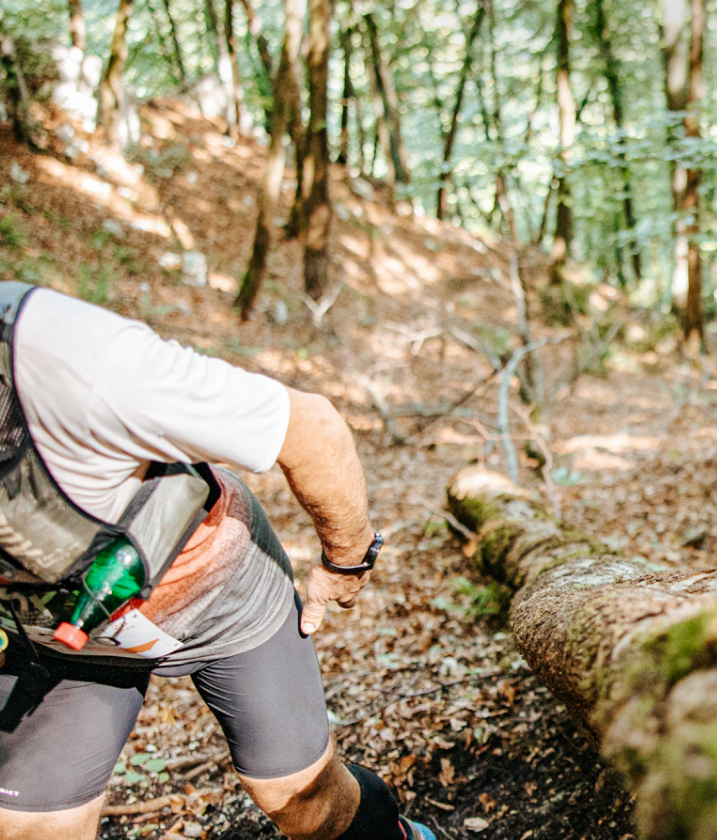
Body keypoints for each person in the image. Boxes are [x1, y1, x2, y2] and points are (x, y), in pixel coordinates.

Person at [0, 284, 432, 839]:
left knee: (302, 800)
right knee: (30, 828)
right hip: (62, 635)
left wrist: (346, 561)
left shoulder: (69, 356)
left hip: (224, 587)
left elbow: (310, 428)